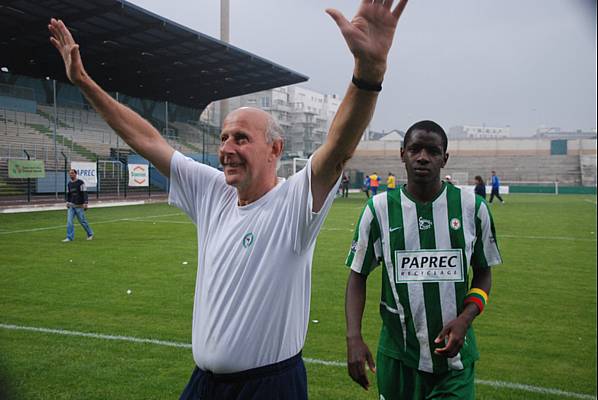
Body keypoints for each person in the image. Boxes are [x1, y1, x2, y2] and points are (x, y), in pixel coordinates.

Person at [49, 0, 409, 398]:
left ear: (275, 149)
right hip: (204, 384)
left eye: (241, 138)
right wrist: (83, 81)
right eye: (223, 137)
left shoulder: (292, 206)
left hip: (269, 387)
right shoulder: (213, 191)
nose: (227, 148)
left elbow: (338, 147)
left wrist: (369, 72)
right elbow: (147, 139)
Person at [345, 120, 502, 399]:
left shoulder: (473, 209)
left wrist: (466, 317)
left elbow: (483, 273)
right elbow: (358, 275)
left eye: (432, 151)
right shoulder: (378, 210)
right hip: (397, 355)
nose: (422, 157)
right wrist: (353, 337)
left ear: (445, 158)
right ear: (402, 153)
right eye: (415, 149)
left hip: (455, 359)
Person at [62, 169, 94, 242]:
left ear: (76, 174)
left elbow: (85, 193)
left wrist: (85, 203)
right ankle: (69, 237)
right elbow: (68, 194)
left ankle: (90, 234)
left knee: (83, 221)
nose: (71, 175)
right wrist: (67, 201)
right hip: (71, 206)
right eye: (70, 173)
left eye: (72, 173)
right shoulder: (69, 184)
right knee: (69, 222)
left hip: (79, 206)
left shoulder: (80, 183)